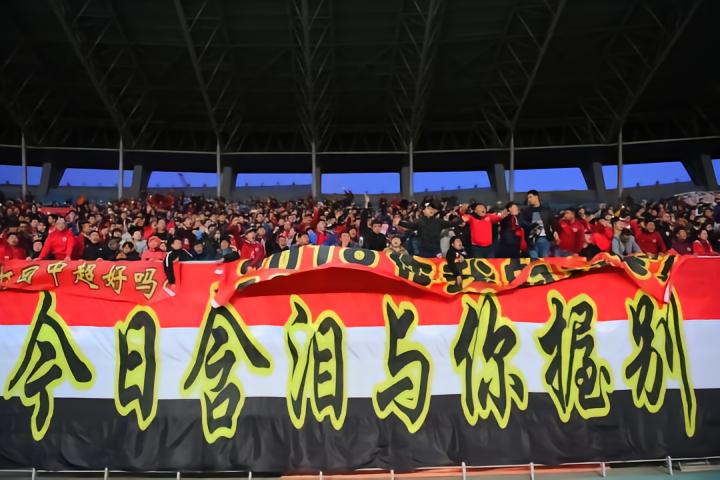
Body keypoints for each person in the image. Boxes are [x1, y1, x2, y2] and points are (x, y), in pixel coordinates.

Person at [520, 190, 556, 259]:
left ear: (536, 197)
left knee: (544, 259)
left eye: (530, 197)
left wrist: (555, 232)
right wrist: (531, 225)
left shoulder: (546, 210)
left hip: (544, 238)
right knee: (534, 259)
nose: (529, 199)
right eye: (528, 198)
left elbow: (552, 222)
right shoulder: (525, 211)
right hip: (531, 239)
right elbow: (522, 222)